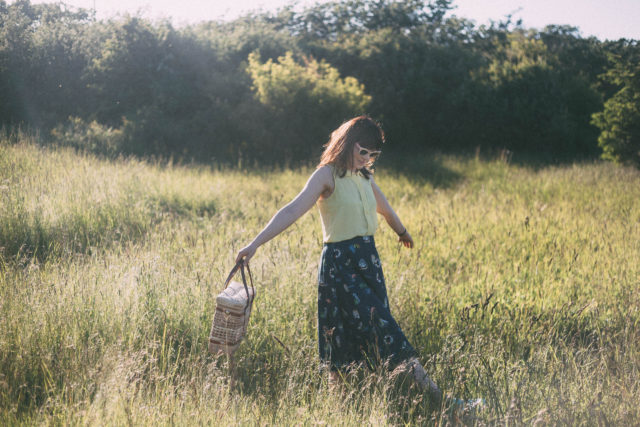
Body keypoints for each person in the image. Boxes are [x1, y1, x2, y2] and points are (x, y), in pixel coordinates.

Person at [235, 116, 442, 402]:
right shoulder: (326, 175)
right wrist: (254, 243)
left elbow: (385, 209)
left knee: (368, 329)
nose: (368, 159)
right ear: (347, 144)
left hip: (369, 263)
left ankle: (359, 403)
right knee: (368, 331)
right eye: (364, 152)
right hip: (340, 266)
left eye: (374, 155)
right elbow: (292, 210)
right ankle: (437, 397)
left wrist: (402, 231)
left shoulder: (365, 177)